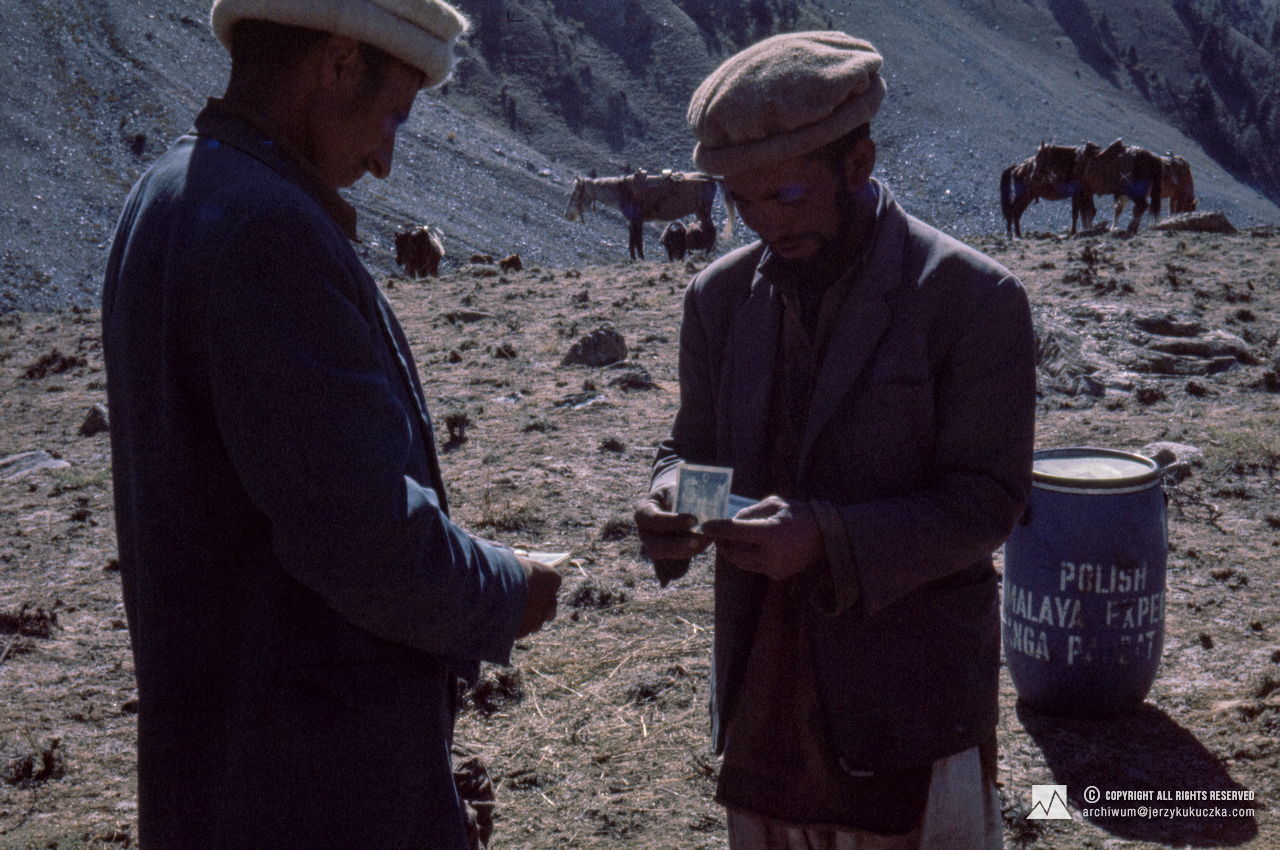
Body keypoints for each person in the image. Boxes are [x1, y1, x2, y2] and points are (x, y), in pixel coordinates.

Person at [101, 1, 561, 847]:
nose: (385, 160)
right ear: (339, 64)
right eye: (393, 115)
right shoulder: (267, 228)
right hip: (313, 777)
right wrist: (505, 588)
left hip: (222, 750)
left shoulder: (171, 191)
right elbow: (361, 536)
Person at [634, 31, 1036, 849]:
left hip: (911, 695)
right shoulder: (718, 301)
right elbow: (696, 457)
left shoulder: (971, 298)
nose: (762, 225)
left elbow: (987, 502)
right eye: (742, 204)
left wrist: (827, 539)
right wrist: (675, 504)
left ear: (859, 165)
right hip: (765, 695)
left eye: (783, 196)